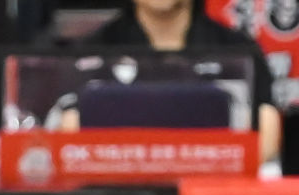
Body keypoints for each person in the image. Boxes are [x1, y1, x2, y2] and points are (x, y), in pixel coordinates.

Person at [69, 0, 281, 163]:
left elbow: (267, 132)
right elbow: (67, 130)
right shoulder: (89, 54)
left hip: (210, 193)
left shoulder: (238, 51)